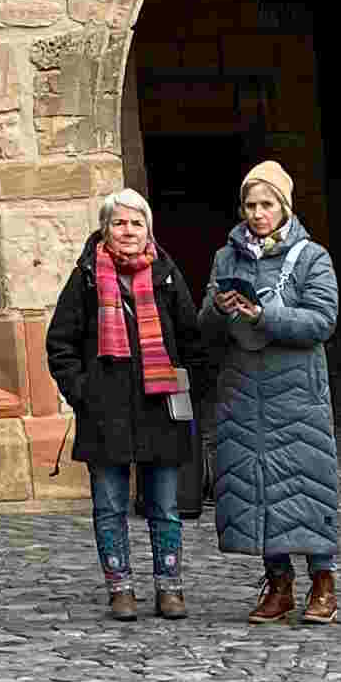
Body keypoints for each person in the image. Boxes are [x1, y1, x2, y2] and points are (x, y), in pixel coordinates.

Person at [43, 186, 214, 622]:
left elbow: (192, 340)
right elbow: (60, 344)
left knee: (166, 508)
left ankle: (169, 587)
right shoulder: (85, 278)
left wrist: (187, 392)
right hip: (106, 412)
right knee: (109, 507)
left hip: (160, 408)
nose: (128, 230)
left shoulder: (166, 275)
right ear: (105, 228)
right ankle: (120, 588)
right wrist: (85, 393)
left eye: (137, 223)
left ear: (148, 229)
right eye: (119, 222)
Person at [204, 158, 341, 625]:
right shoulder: (226, 258)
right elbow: (204, 327)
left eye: (267, 204)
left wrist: (265, 316)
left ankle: (323, 581)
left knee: (308, 484)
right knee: (258, 487)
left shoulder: (312, 257)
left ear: (284, 206)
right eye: (250, 205)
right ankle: (279, 584)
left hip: (297, 393)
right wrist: (220, 309)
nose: (257, 213)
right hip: (244, 391)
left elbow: (322, 321)